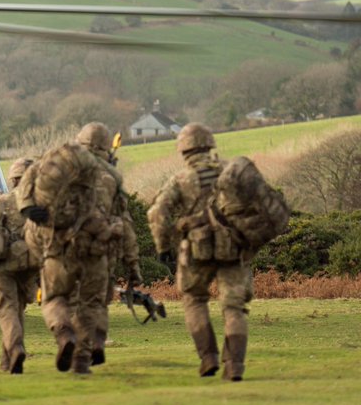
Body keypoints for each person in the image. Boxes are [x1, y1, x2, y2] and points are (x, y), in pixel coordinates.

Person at [147, 123, 253, 381]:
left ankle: (208, 357)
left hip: (195, 250)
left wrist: (163, 247)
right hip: (233, 248)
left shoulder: (181, 180)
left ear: (184, 149)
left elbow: (157, 213)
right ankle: (235, 366)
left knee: (194, 300)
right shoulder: (232, 172)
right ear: (210, 144)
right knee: (234, 308)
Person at [16, 124, 110, 374]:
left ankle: (64, 333)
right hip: (93, 247)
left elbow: (30, 175)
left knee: (54, 297)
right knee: (89, 304)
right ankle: (82, 359)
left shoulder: (57, 160)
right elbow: (122, 217)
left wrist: (27, 206)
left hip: (57, 245)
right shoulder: (107, 173)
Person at [76, 122, 143, 368]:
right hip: (103, 250)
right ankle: (96, 344)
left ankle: (75, 344)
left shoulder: (67, 171)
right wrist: (132, 262)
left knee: (72, 300)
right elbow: (124, 222)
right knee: (97, 301)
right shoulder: (111, 178)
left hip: (68, 249)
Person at [0, 158, 38, 374]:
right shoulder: (41, 204)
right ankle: (8, 361)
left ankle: (15, 349)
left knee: (7, 309)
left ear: (13, 179)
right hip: (31, 264)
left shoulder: (2, 202)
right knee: (18, 309)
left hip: (4, 265)